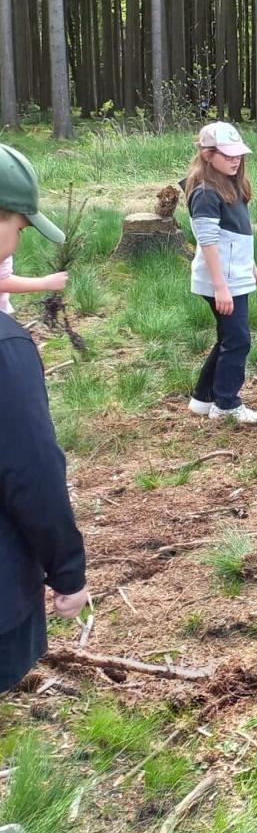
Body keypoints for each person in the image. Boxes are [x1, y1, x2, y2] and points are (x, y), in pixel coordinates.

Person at [0, 144, 89, 693]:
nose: (16, 242)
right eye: (18, 226)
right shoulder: (6, 351)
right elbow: (32, 474)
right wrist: (67, 572)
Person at [185, 122, 257, 425]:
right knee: (239, 340)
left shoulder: (232, 183)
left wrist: (253, 268)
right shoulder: (205, 192)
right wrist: (221, 287)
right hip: (223, 281)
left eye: (238, 155)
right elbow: (208, 242)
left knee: (227, 339)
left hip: (235, 276)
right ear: (208, 154)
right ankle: (227, 404)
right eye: (227, 155)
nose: (235, 160)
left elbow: (236, 238)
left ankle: (203, 399)